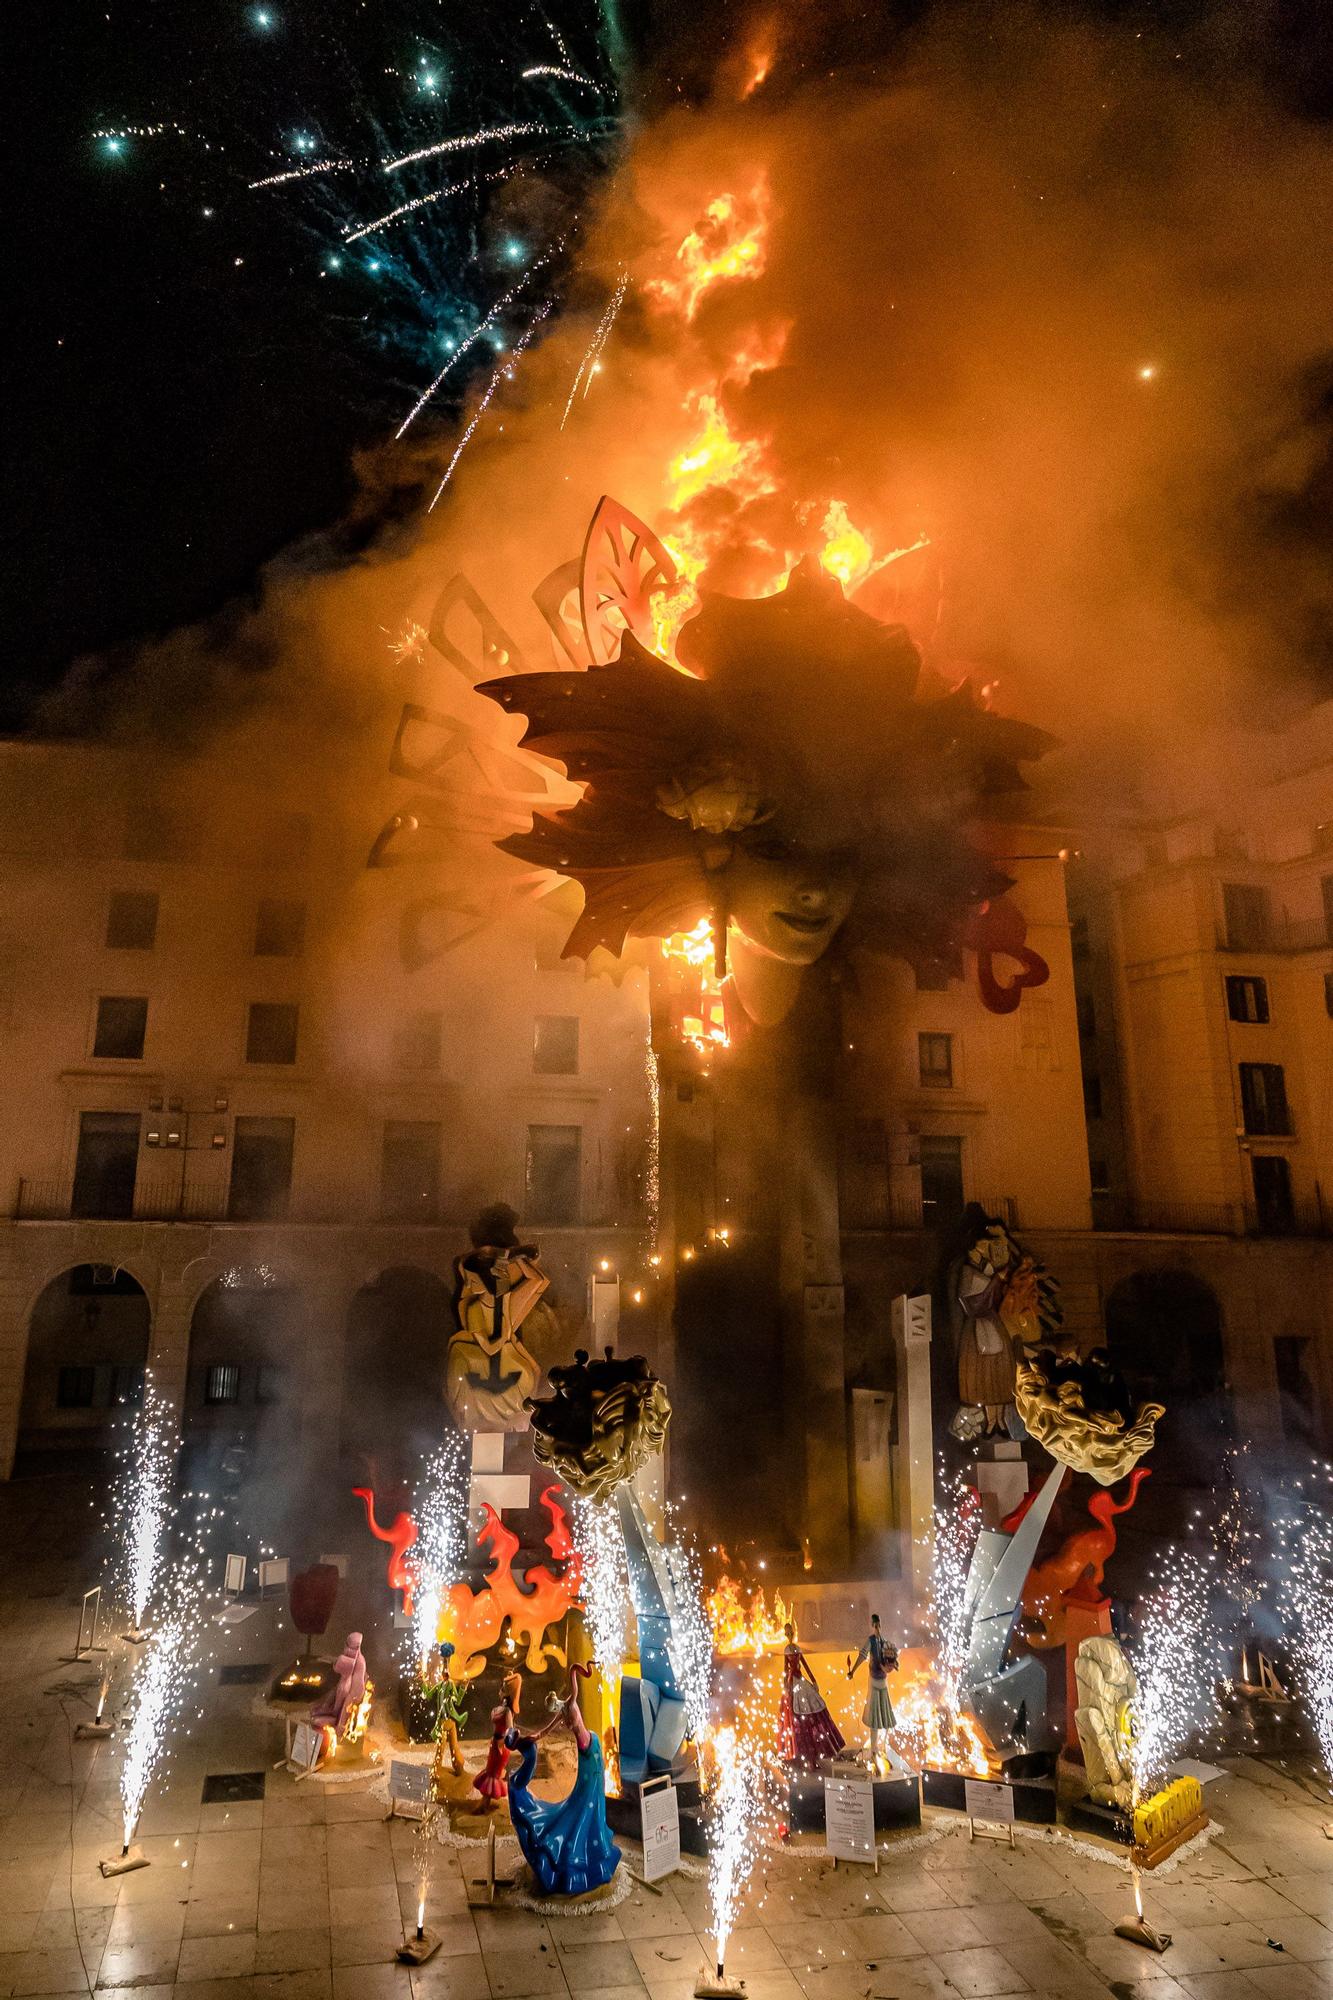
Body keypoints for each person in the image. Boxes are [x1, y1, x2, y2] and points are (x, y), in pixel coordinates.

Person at [504, 1664, 621, 1897]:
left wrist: (583, 1670)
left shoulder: (571, 1703)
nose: (555, 1707)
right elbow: (550, 1727)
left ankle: (590, 1851)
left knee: (589, 1801)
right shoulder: (563, 1710)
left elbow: (573, 1678)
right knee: (584, 1801)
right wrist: (538, 1735)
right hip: (585, 1750)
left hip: (590, 1748)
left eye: (553, 1702)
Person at [778, 1623, 845, 1766]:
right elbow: (785, 1669)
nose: (789, 1635)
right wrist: (786, 1686)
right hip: (793, 1682)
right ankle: (802, 1757)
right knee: (796, 1721)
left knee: (811, 1714)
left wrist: (814, 1680)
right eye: (787, 1633)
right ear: (785, 1634)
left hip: (800, 1681)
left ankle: (812, 1758)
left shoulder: (796, 1648)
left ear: (793, 1633)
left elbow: (806, 1665)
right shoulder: (787, 1649)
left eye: (791, 1633)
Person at [848, 1613, 898, 1772]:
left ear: (880, 1625)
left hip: (883, 1682)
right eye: (874, 1624)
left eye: (878, 1624)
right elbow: (863, 1655)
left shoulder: (885, 1643)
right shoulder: (871, 1641)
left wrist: (893, 1665)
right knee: (875, 1719)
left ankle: (881, 1749)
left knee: (885, 1718)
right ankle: (874, 1751)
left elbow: (892, 1660)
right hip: (874, 1682)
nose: (876, 1627)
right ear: (872, 1625)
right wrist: (853, 1671)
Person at [473, 1670, 522, 1804]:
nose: (499, 1691)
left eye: (502, 1689)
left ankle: (484, 1803)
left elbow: (510, 1729)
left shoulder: (507, 1712)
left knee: (493, 1773)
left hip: (500, 1746)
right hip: (495, 1743)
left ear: (507, 1693)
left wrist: (505, 1742)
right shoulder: (501, 1709)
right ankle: (485, 1802)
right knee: (490, 1770)